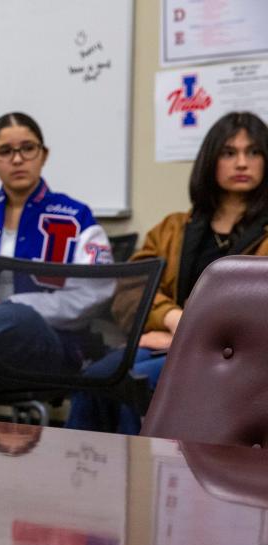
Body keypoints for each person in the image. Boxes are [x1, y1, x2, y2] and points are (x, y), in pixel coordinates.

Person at [68, 111, 268, 433]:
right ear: (210, 160)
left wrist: (190, 337)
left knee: (143, 384)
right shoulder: (173, 228)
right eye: (229, 153)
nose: (242, 163)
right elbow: (130, 291)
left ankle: (140, 480)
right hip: (166, 342)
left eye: (254, 152)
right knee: (99, 378)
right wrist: (174, 320)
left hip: (239, 360)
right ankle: (83, 480)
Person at [0, 112, 112, 397]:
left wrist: (14, 306)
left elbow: (93, 295)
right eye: (5, 151)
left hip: (51, 348)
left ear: (44, 154)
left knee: (17, 318)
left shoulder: (77, 217)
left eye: (28, 148)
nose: (17, 159)